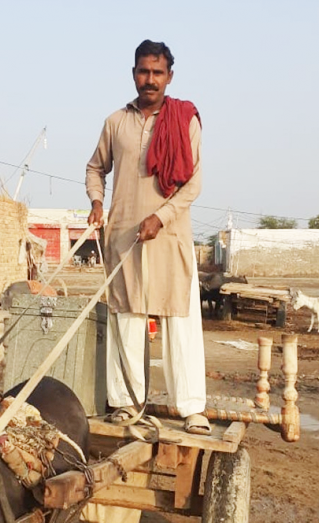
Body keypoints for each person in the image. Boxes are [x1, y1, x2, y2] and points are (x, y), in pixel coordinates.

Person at [85, 40, 210, 435]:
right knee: (128, 318)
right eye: (143, 71)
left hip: (170, 235)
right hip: (124, 236)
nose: (150, 79)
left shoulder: (184, 120)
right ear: (133, 74)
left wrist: (161, 215)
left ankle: (191, 409)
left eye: (158, 72)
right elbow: (94, 169)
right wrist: (95, 202)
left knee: (180, 319)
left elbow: (192, 186)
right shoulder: (115, 123)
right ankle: (124, 403)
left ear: (169, 76)